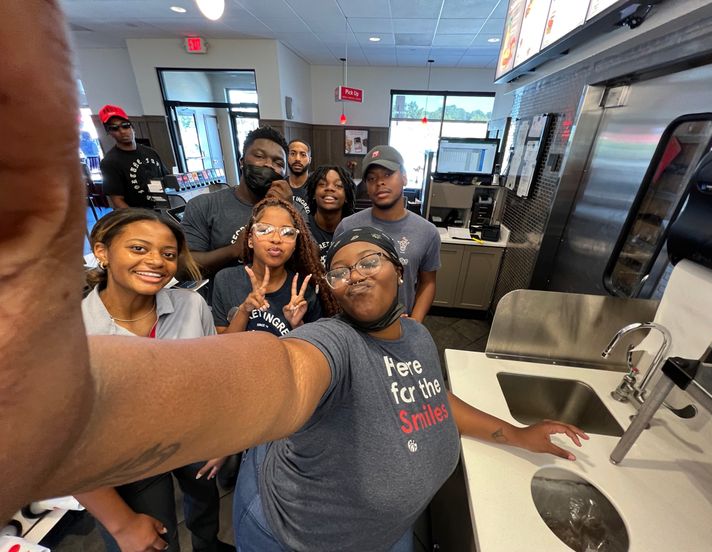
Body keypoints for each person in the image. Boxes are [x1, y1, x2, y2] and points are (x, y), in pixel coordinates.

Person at [1, 3, 587, 547]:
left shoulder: (415, 337)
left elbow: (433, 400)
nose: (353, 274)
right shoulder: (328, 344)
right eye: (338, 268)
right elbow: (274, 376)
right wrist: (48, 403)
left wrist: (515, 434)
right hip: (295, 537)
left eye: (369, 260)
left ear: (398, 270)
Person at [76, 208, 232, 552]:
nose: (156, 261)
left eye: (168, 254)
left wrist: (222, 437)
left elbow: (213, 373)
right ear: (102, 251)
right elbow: (62, 447)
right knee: (153, 539)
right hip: (127, 460)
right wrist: (122, 524)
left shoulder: (191, 305)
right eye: (138, 248)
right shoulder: (71, 335)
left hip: (193, 435)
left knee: (205, 503)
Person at [335, 145, 441, 323]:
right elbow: (338, 279)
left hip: (402, 326)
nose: (379, 182)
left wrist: (415, 322)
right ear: (367, 187)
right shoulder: (347, 227)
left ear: (404, 177)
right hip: (354, 324)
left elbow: (428, 282)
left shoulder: (427, 232)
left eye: (387, 174)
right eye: (371, 178)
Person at [181, 126, 298, 283]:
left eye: (278, 162)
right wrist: (233, 250)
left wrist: (289, 209)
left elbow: (312, 258)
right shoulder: (204, 205)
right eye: (259, 156)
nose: (268, 165)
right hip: (224, 302)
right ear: (242, 162)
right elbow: (183, 269)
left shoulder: (292, 206)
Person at [211, 196, 339, 335]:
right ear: (250, 240)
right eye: (265, 230)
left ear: (295, 244)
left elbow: (313, 350)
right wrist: (244, 311)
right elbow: (222, 347)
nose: (276, 239)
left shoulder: (305, 292)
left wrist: (298, 326)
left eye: (287, 233)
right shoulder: (225, 280)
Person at [98, 104, 168, 210]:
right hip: (139, 216)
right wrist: (137, 220)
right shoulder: (109, 162)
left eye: (125, 125)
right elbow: (117, 200)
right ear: (109, 132)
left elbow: (167, 179)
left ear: (132, 126)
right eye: (115, 128)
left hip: (164, 210)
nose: (122, 131)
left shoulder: (151, 152)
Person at [305, 164, 356, 266]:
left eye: (338, 185)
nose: (329, 188)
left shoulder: (355, 229)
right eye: (322, 184)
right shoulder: (303, 228)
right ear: (314, 194)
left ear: (346, 197)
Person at [286, 139, 312, 215]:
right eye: (293, 154)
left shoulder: (316, 187)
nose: (297, 159)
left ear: (309, 160)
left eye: (303, 155)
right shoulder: (280, 186)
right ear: (287, 157)